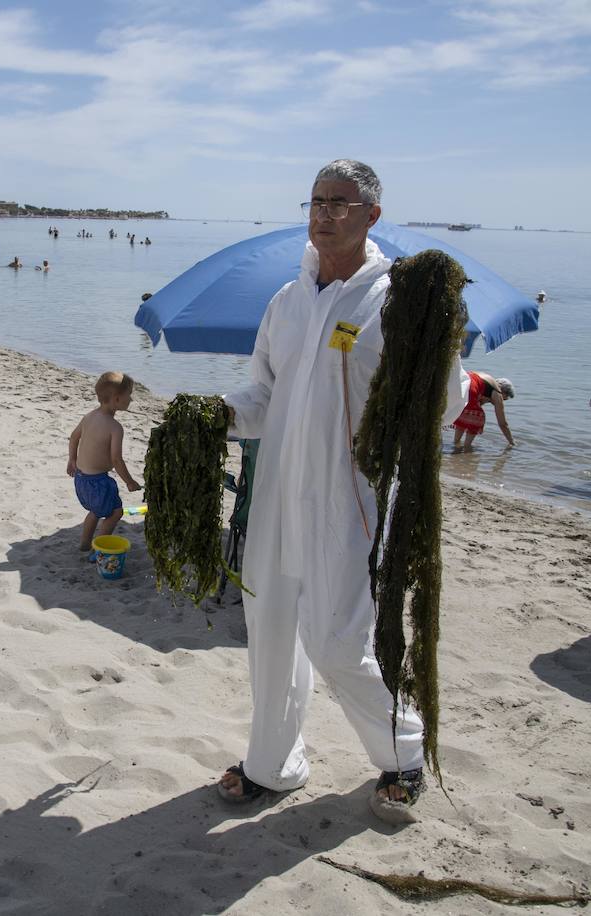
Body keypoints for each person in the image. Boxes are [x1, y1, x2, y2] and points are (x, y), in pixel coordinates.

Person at [219, 160, 469, 823]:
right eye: (317, 200)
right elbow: (263, 393)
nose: (325, 213)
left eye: (340, 203)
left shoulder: (396, 300)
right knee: (270, 632)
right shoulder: (287, 301)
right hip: (275, 492)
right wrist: (219, 414)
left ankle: (403, 753)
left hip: (349, 498)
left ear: (370, 216)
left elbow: (441, 401)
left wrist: (447, 351)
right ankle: (273, 764)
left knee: (335, 642)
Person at [67, 371, 142, 553]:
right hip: (98, 482)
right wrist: (129, 482)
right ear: (116, 399)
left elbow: (73, 437)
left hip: (81, 478)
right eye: (129, 395)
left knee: (95, 511)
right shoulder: (115, 428)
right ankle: (98, 548)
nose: (131, 399)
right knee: (115, 512)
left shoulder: (89, 416)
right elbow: (116, 459)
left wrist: (72, 459)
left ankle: (85, 543)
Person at [451, 371, 516, 450]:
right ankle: (467, 447)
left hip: (460, 382)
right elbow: (503, 423)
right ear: (502, 391)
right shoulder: (497, 392)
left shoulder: (487, 383)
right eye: (504, 399)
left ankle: (456, 444)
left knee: (466, 414)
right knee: (478, 418)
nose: (502, 401)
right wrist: (511, 442)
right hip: (470, 388)